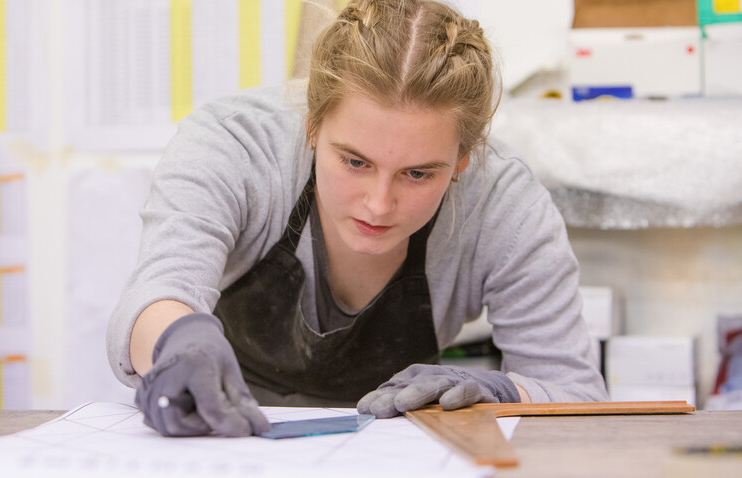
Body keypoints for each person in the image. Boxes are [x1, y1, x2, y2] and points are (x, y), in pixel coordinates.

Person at [107, 0, 607, 438]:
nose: (378, 204)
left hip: (398, 451)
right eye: (354, 161)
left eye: (417, 173)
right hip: (217, 438)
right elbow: (158, 292)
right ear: (312, 126)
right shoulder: (234, 147)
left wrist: (503, 390)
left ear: (461, 163)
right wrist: (178, 342)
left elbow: (578, 395)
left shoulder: (505, 206)